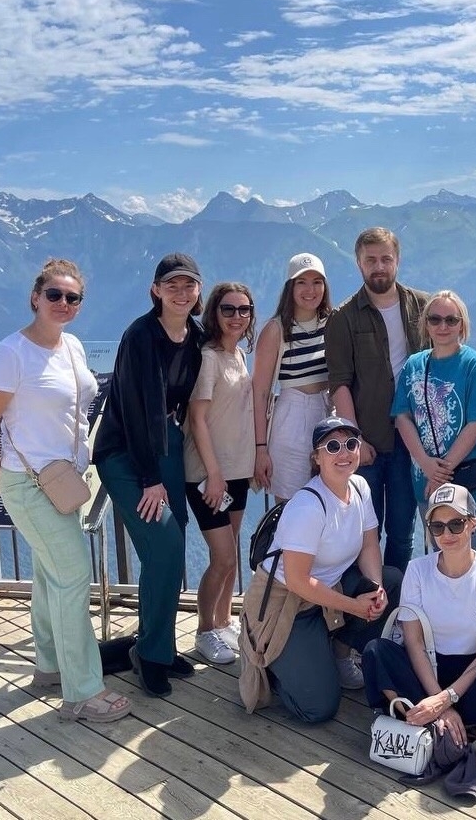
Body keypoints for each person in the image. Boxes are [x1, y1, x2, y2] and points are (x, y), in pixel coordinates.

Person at [0, 259, 131, 723]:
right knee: (72, 576)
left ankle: (49, 665)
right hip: (27, 483)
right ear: (35, 298)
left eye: (73, 297)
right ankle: (82, 692)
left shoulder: (73, 347)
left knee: (50, 573)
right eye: (54, 295)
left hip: (63, 481)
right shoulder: (9, 354)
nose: (63, 303)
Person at [238, 417, 402, 723]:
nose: (344, 452)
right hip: (288, 604)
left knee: (390, 582)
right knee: (319, 708)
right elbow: (298, 581)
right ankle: (275, 669)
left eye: (350, 444)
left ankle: (338, 655)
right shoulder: (308, 507)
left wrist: (375, 589)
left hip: (326, 591)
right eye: (332, 446)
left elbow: (369, 545)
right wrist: (354, 605)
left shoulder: (360, 487)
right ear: (316, 457)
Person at [94, 253, 206, 698]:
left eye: (188, 284)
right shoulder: (140, 336)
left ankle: (155, 644)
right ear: (156, 290)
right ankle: (150, 653)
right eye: (171, 285)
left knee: (169, 550)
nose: (180, 292)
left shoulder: (196, 337)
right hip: (127, 454)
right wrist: (149, 478)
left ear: (198, 290)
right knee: (164, 544)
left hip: (167, 447)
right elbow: (137, 410)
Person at [362, 483, 476, 761]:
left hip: (472, 672)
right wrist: (442, 703)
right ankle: (462, 733)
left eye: (456, 524)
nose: (447, 534)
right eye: (437, 527)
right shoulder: (417, 570)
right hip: (428, 667)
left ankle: (431, 729)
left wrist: (445, 699)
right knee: (376, 651)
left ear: (473, 524)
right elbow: (414, 642)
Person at [325, 227, 429, 572]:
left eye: (386, 259)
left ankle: (396, 600)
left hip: (411, 441)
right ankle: (366, 599)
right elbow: (340, 383)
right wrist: (354, 439)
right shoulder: (343, 317)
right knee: (362, 533)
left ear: (397, 260)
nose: (379, 267)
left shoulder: (423, 307)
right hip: (367, 441)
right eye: (371, 260)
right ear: (359, 263)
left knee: (402, 533)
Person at [182, 282, 257, 667]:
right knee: (223, 557)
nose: (237, 317)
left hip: (237, 471)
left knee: (232, 550)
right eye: (228, 309)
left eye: (244, 310)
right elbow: (197, 418)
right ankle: (204, 630)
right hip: (207, 472)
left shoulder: (239, 355)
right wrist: (213, 474)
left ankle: (224, 620)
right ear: (214, 312)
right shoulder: (208, 358)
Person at [391, 291, 476, 536]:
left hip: (466, 482)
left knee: (466, 550)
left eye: (451, 320)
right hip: (424, 479)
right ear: (426, 324)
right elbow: (402, 417)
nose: (443, 326)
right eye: (435, 319)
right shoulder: (414, 365)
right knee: (436, 549)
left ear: (462, 324)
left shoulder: (475, 365)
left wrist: (439, 474)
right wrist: (426, 464)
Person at [252, 253, 332, 503]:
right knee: (290, 505)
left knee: (329, 500)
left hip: (327, 413)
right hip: (291, 416)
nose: (310, 290)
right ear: (290, 287)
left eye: (317, 282)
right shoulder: (276, 330)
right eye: (302, 282)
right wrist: (260, 449)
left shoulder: (332, 323)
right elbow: (260, 393)